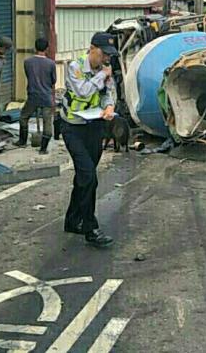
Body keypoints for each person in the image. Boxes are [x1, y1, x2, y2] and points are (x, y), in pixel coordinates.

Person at [61, 32, 118, 248]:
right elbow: (83, 92)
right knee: (89, 176)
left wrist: (110, 107)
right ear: (92, 48)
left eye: (109, 56)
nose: (107, 59)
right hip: (72, 128)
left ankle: (72, 220)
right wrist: (102, 76)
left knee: (84, 177)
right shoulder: (75, 67)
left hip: (94, 127)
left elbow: (109, 93)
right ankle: (90, 227)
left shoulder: (106, 69)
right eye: (104, 54)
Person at [17, 37, 57, 154]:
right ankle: (43, 149)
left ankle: (22, 141)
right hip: (46, 97)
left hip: (33, 96)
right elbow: (53, 80)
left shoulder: (27, 62)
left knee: (24, 117)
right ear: (47, 48)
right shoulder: (51, 64)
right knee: (47, 122)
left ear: (35, 47)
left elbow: (28, 76)